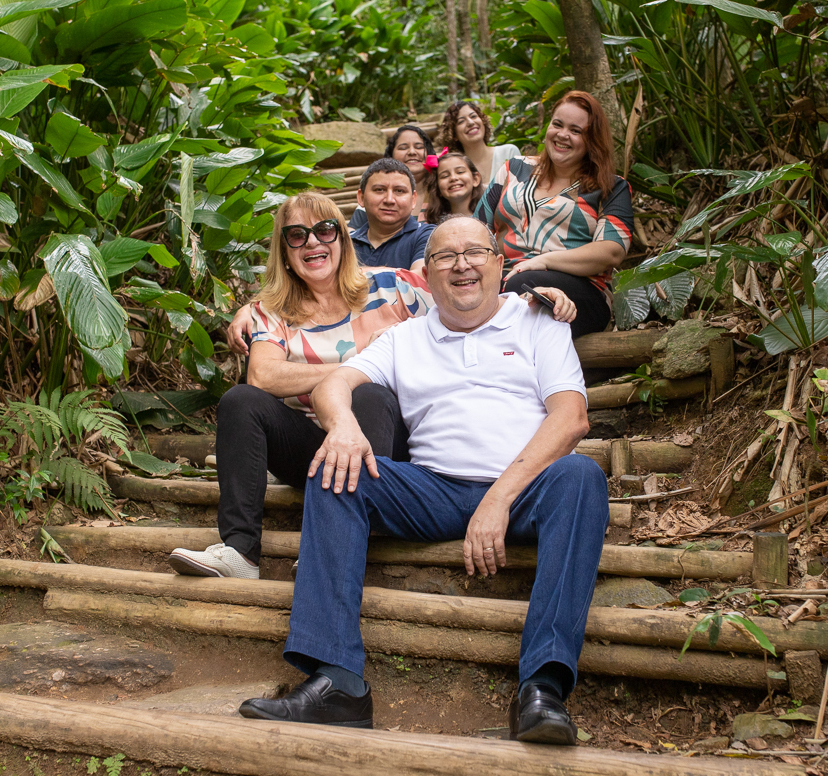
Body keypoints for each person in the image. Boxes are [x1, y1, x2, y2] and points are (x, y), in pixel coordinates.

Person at [238, 216, 608, 746]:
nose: (461, 265)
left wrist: (499, 498)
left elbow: (571, 418)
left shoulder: (538, 321)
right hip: (432, 487)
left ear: (499, 264)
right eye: (444, 257)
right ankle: (338, 682)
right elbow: (336, 384)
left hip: (527, 491)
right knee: (336, 470)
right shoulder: (405, 337)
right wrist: (342, 426)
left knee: (581, 474)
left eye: (474, 252)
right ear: (426, 277)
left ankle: (542, 688)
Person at [166, 192, 430, 581]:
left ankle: (339, 542)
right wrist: (356, 368)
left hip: (390, 446)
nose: (312, 242)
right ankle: (240, 552)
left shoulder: (393, 286)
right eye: (296, 235)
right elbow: (263, 376)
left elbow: (467, 302)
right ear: (284, 250)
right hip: (317, 446)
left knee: (369, 395)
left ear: (342, 237)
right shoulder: (271, 310)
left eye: (325, 230)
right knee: (242, 399)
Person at [223, 159, 434, 356]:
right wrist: (252, 307)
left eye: (399, 191)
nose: (389, 199)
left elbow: (415, 281)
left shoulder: (425, 235)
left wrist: (337, 272)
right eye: (379, 190)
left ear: (414, 199)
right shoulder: (336, 240)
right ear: (360, 197)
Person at [475, 90, 636, 339]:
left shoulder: (611, 187)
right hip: (502, 280)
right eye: (557, 125)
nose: (562, 135)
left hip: (580, 290)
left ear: (592, 140)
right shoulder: (513, 169)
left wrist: (544, 261)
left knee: (523, 286)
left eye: (576, 130)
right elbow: (477, 228)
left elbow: (611, 251)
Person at [350, 125, 436, 228]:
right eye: (403, 148)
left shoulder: (442, 193)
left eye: (419, 147)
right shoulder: (375, 199)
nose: (412, 152)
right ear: (391, 156)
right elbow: (351, 233)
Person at [436, 100, 521, 186]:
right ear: (454, 135)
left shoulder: (509, 152)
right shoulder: (454, 170)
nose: (470, 122)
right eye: (461, 121)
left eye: (473, 116)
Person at [426, 151, 484, 225]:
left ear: (475, 179)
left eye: (460, 172)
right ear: (437, 188)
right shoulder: (434, 227)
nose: (453, 178)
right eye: (445, 176)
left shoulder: (490, 220)